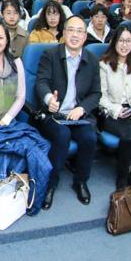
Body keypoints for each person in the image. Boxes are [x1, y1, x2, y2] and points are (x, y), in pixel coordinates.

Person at [0, 21, 52, 210]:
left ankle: (16, 189)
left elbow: (21, 97)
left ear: (7, 40)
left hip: (8, 121)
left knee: (39, 145)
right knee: (6, 149)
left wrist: (5, 121)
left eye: (0, 37)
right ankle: (2, 192)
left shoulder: (16, 63)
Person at [35, 16, 100, 208]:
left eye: (79, 31)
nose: (75, 35)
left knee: (89, 137)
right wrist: (49, 99)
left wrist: (82, 108)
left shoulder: (92, 59)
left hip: (77, 115)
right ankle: (51, 183)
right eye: (71, 30)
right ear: (64, 33)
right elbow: (41, 82)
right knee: (62, 135)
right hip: (53, 115)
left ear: (85, 36)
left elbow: (96, 93)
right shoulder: (50, 54)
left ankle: (80, 181)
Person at [98, 27, 131, 189]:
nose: (124, 45)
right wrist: (116, 110)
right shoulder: (104, 65)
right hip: (110, 111)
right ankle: (122, 177)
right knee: (130, 132)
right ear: (114, 42)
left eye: (128, 41)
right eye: (121, 40)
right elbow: (100, 97)